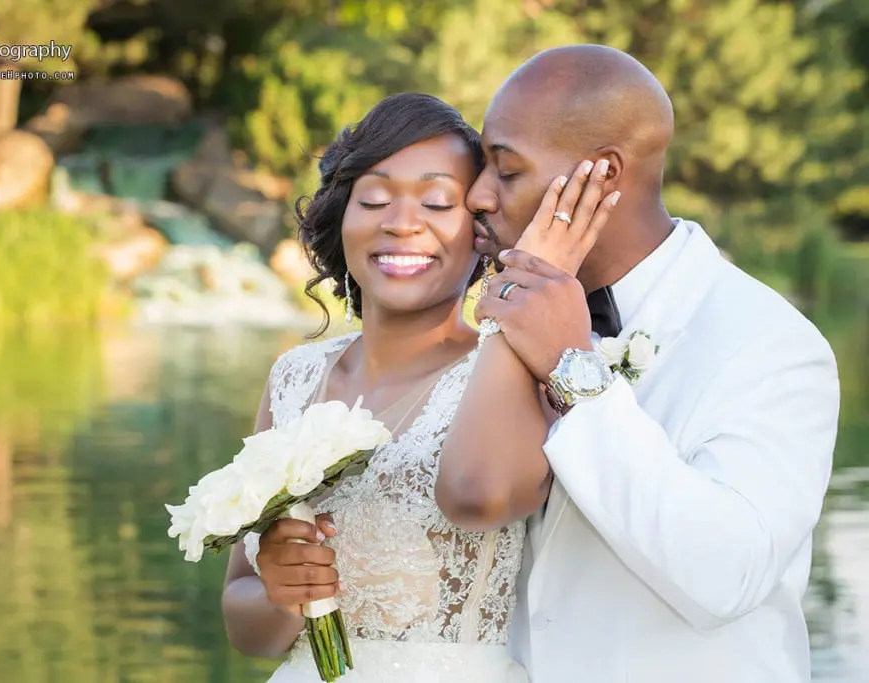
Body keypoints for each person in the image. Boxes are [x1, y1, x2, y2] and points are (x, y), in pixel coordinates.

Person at [436, 45, 842, 683]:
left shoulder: (773, 344)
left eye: (506, 171)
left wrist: (573, 370)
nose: (477, 196)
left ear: (601, 174)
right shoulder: (495, 326)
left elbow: (726, 576)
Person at [219, 92, 613, 682]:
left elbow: (482, 496)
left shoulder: (511, 367)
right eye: (374, 198)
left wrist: (518, 292)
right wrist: (283, 593)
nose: (401, 223)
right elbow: (243, 623)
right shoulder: (295, 378)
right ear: (342, 217)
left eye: (437, 202)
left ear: (481, 231)